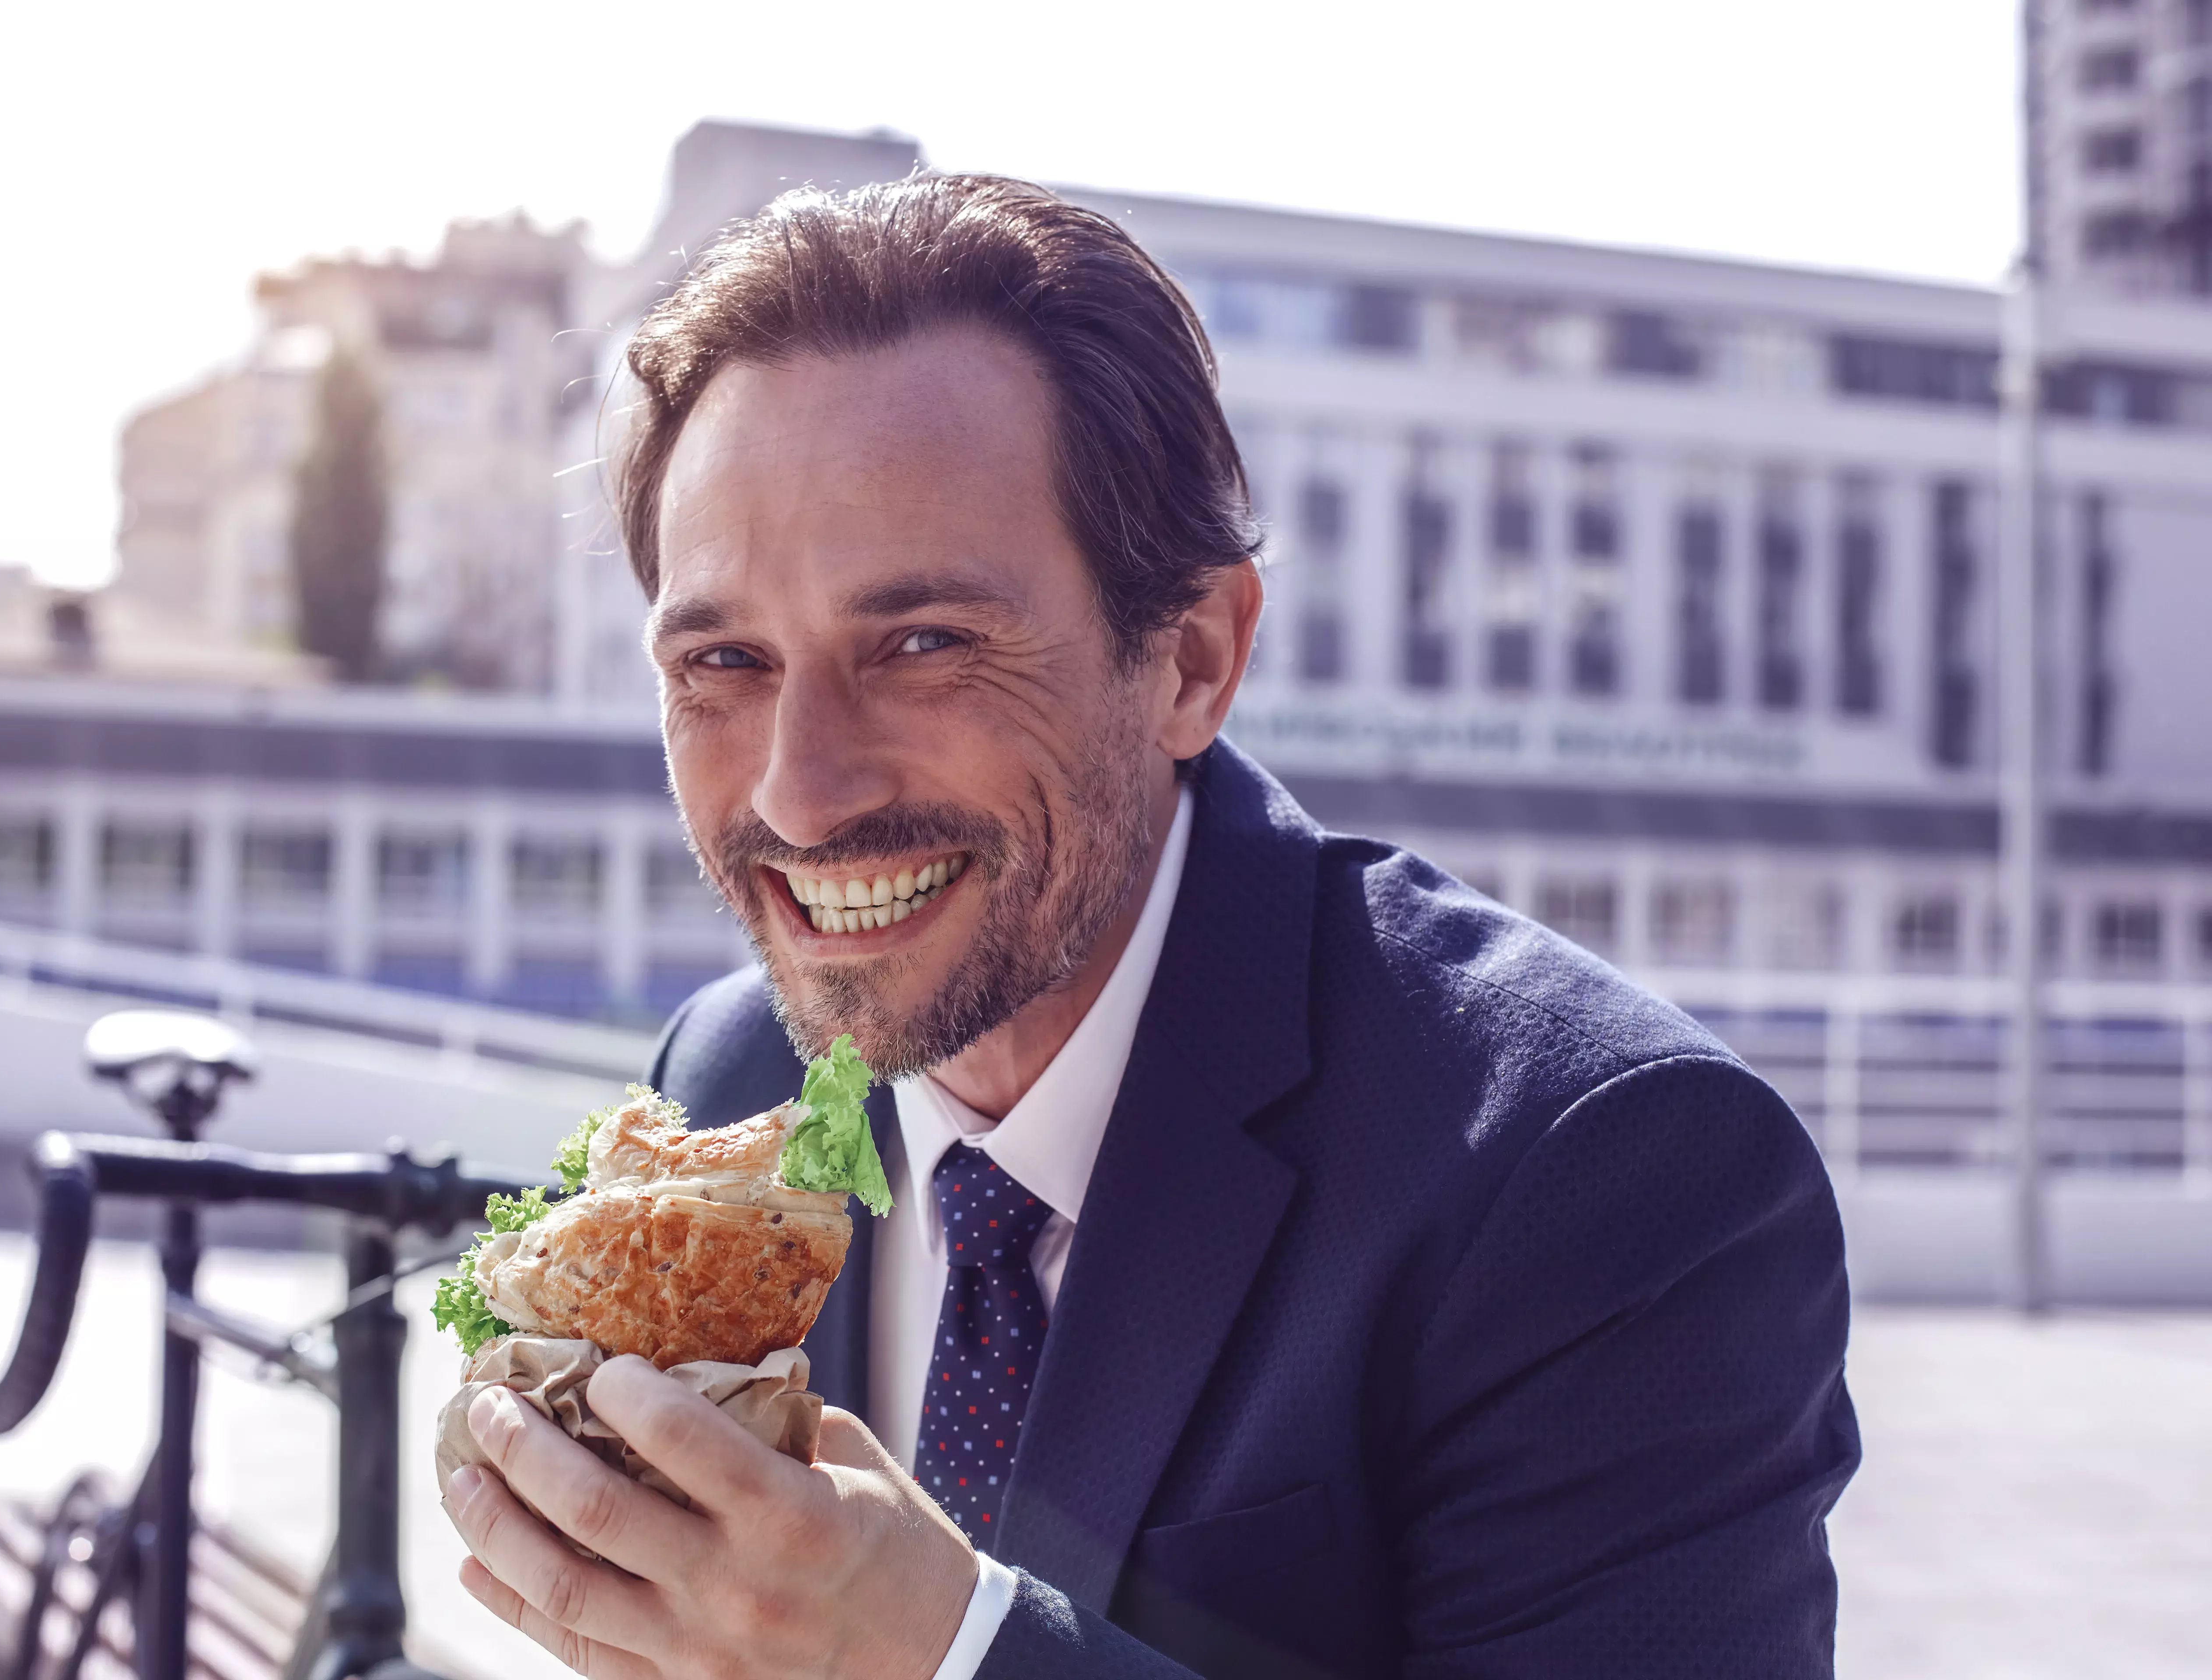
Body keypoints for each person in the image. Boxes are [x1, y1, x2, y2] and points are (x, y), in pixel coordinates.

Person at [439, 172, 1860, 1680]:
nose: (798, 795)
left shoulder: (1605, 1175)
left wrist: (952, 1655)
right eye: (723, 661)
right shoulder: (728, 1083)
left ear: (1190, 657)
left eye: (923, 645)